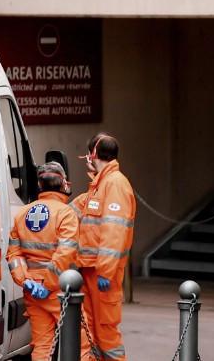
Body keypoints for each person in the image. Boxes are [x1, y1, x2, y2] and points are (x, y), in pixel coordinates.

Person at [71, 133, 136, 361]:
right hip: (90, 270)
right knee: (90, 332)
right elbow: (70, 213)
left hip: (102, 274)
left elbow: (114, 231)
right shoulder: (99, 186)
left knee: (106, 333)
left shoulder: (115, 184)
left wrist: (105, 271)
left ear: (93, 154)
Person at [7, 161, 79, 361]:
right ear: (63, 183)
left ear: (40, 185)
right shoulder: (65, 213)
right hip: (59, 290)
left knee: (42, 346)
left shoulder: (22, 213)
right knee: (79, 343)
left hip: (32, 291)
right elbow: (65, 254)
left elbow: (14, 255)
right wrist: (47, 285)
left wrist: (25, 280)